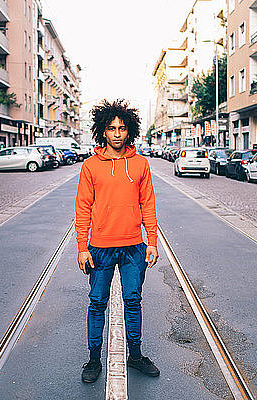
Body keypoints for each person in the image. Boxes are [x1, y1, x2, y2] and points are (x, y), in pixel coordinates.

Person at [75, 99, 160, 383]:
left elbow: (148, 204)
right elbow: (83, 207)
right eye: (111, 128)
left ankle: (134, 356)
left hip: (134, 247)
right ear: (103, 131)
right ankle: (93, 359)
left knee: (133, 301)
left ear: (129, 131)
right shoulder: (90, 166)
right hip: (100, 247)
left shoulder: (141, 164)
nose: (117, 133)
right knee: (97, 302)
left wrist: (152, 241)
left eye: (122, 128)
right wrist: (82, 248)